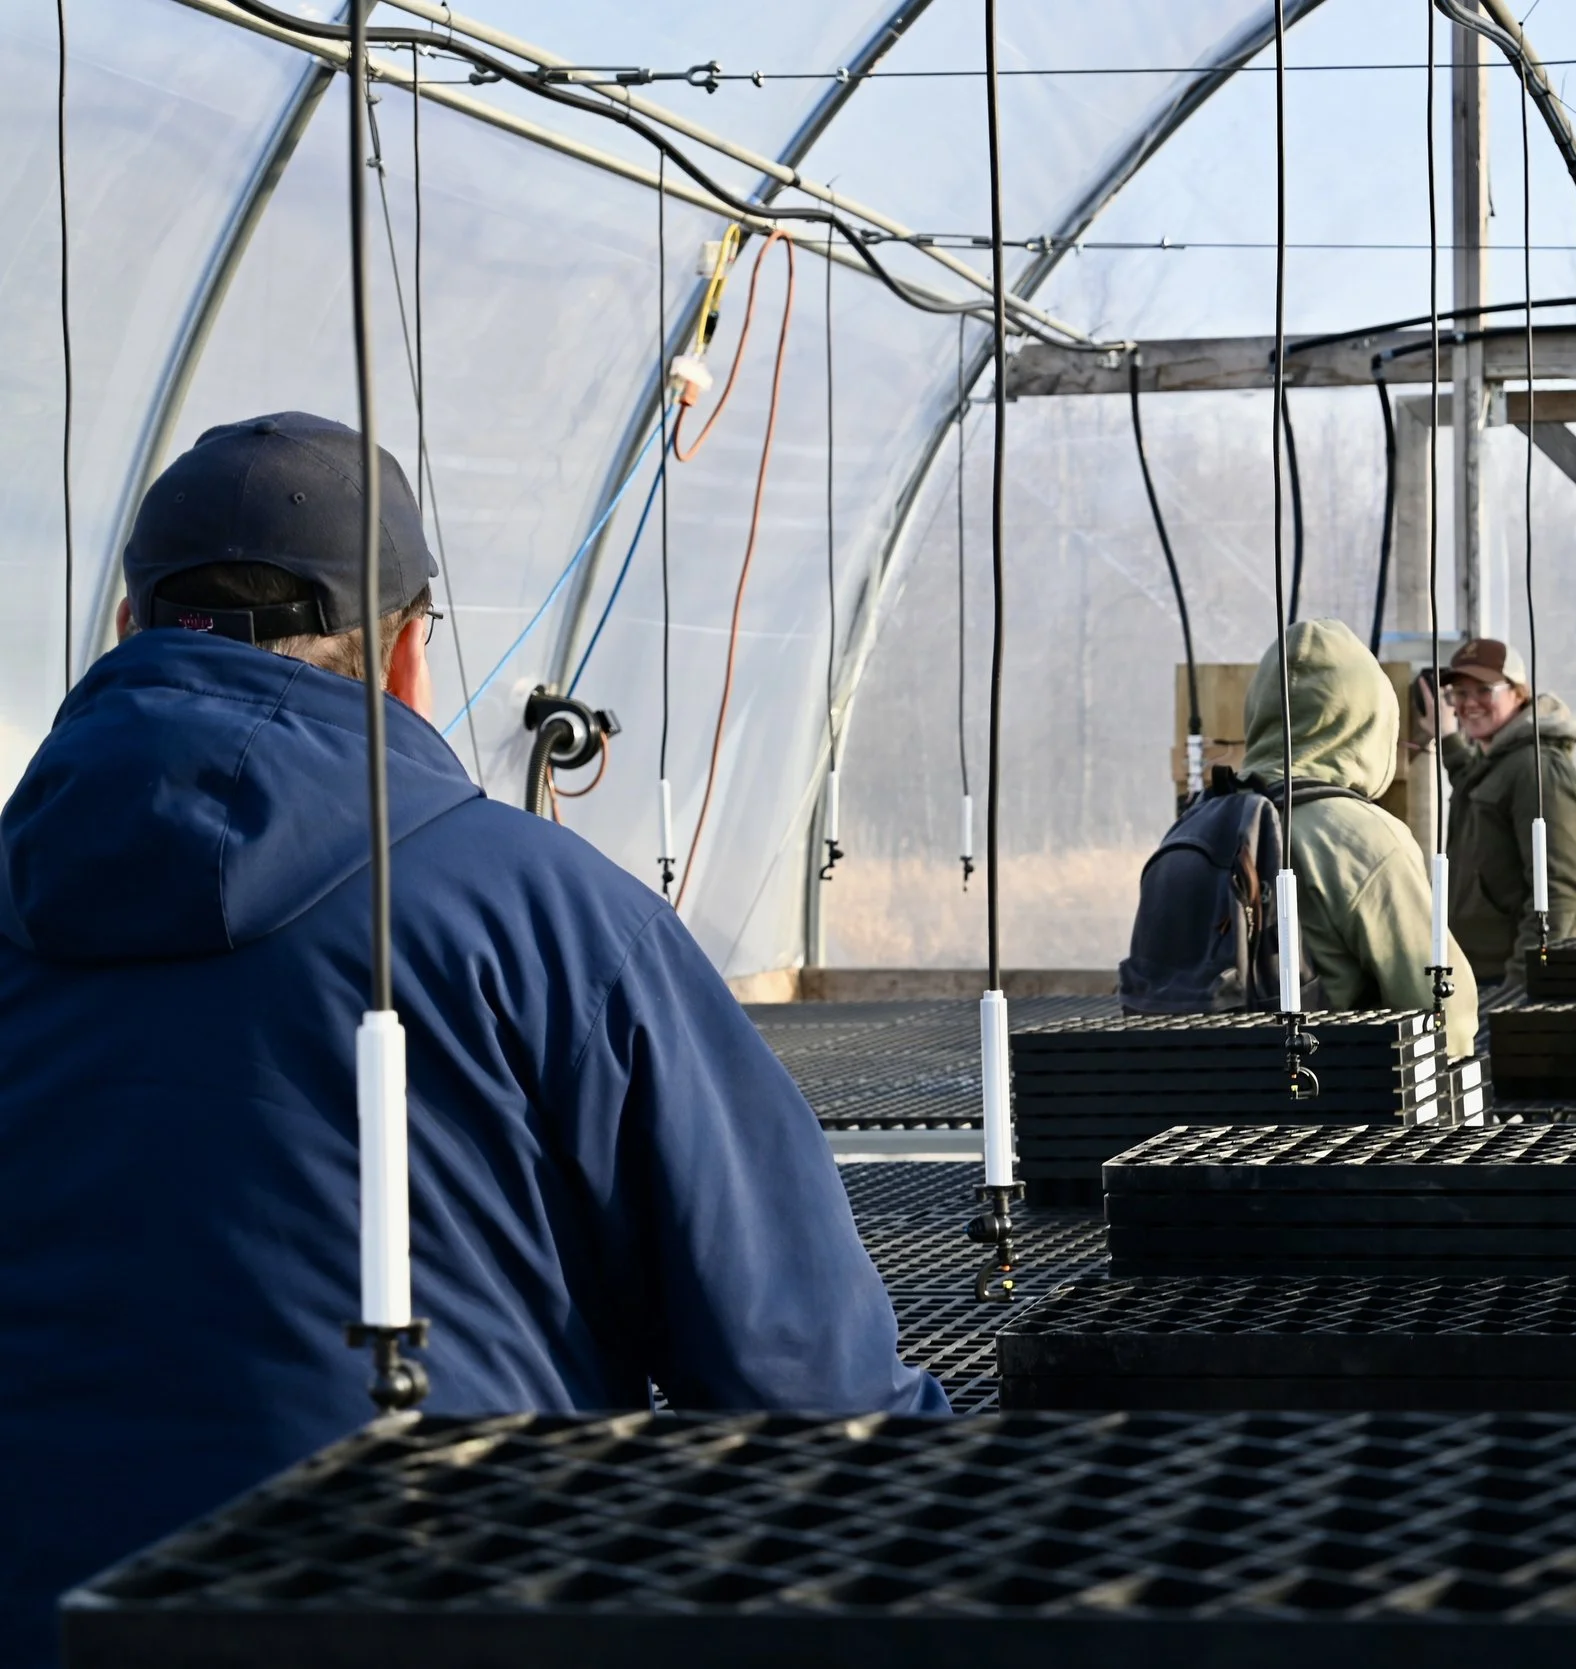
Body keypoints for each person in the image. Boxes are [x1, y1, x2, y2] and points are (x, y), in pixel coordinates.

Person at [0, 414, 943, 1666]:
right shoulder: (556, 919)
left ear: (125, 634)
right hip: (459, 1612)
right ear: (405, 656)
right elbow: (812, 1400)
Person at [1240, 618, 1479, 1050]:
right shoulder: (1361, 838)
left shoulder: (1205, 819)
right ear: (1370, 720)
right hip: (1326, 1094)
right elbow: (1443, 1013)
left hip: (1193, 1100)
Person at [1430, 637, 1576, 990]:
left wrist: (1522, 986)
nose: (1469, 703)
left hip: (1508, 981)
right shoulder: (1499, 763)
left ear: (1519, 693)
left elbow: (1558, 891)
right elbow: (1477, 788)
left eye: (1484, 690)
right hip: (1478, 977)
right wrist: (1448, 740)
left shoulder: (1537, 769)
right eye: (1458, 693)